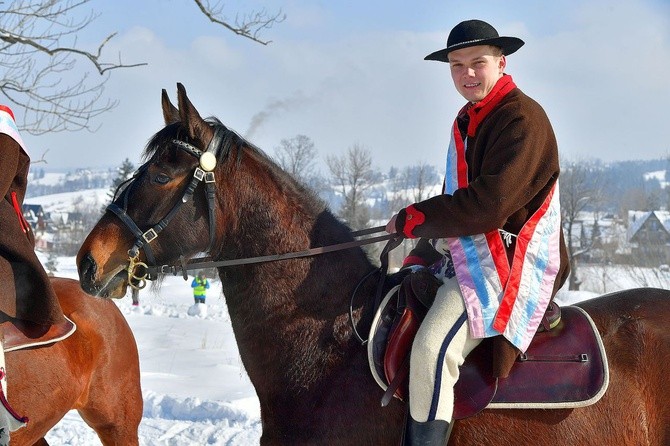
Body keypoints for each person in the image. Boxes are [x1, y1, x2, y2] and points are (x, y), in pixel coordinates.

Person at [385, 20, 570, 444]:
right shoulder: (469, 118)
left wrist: (416, 217)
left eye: (477, 63)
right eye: (456, 65)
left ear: (501, 63)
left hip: (507, 263)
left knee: (432, 349)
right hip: (471, 250)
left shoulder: (522, 119)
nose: (467, 74)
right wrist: (424, 251)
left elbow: (489, 205)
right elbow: (455, 196)